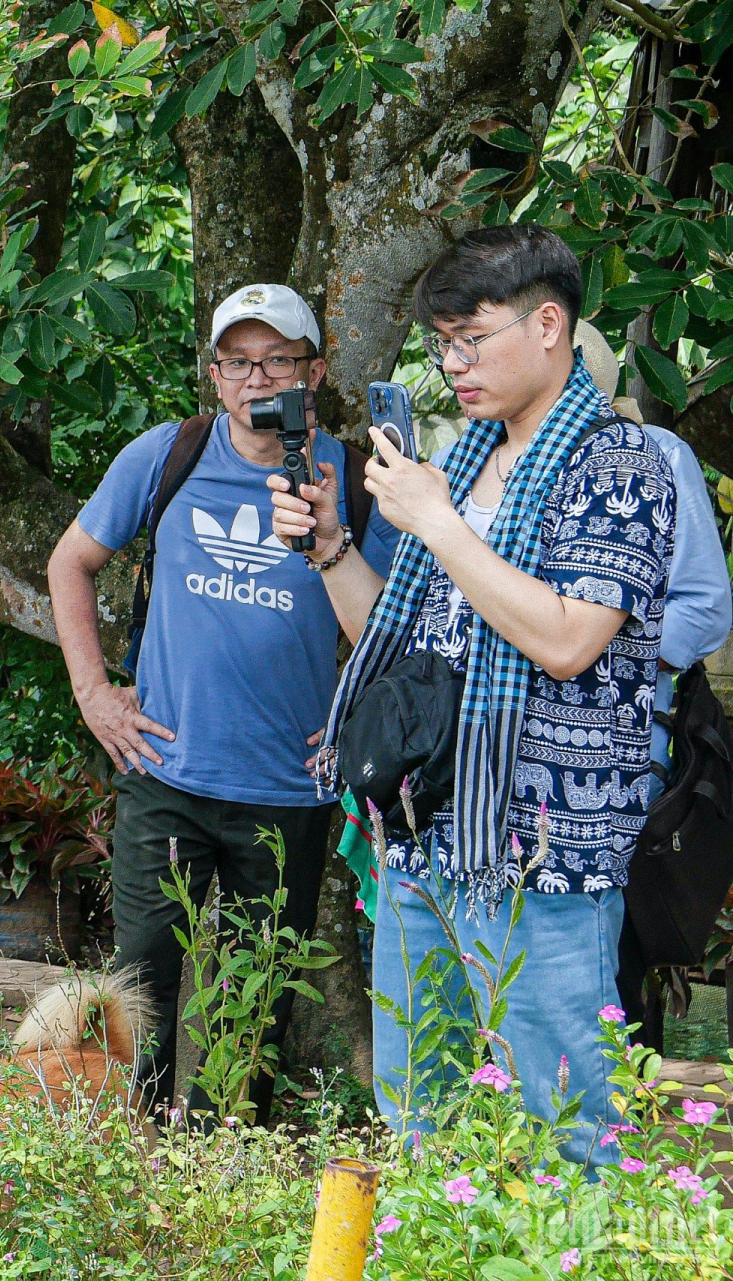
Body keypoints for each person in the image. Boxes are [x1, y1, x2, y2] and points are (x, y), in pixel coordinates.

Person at [281, 226, 677, 1165]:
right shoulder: (461, 465)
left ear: (549, 325)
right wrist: (334, 545)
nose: (453, 364)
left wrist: (438, 521)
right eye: (442, 344)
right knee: (417, 1103)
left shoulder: (620, 466)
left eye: (472, 337)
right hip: (427, 833)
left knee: (564, 1116)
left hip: (544, 848)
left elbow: (567, 640)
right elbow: (412, 645)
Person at [48, 283, 400, 1123]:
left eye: (277, 359)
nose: (257, 379)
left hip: (289, 788)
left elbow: (396, 622)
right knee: (140, 996)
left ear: (313, 373)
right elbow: (71, 562)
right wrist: (96, 696)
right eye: (239, 362)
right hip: (166, 772)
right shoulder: (168, 454)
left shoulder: (356, 479)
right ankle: (129, 1172)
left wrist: (353, 719)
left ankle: (224, 1176)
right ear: (215, 376)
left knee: (256, 1014)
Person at [573, 324, 733, 1046]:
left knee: (617, 974)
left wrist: (599, 645)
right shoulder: (481, 464)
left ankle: (620, 1150)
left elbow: (704, 608)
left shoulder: (660, 455)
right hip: (506, 778)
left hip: (625, 764)